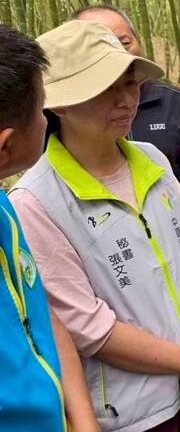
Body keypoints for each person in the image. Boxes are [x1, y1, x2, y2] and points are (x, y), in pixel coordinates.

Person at [10, 20, 180, 431]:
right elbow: (87, 325)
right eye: (104, 89)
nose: (125, 100)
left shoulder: (151, 158)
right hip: (135, 410)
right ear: (58, 104)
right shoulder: (35, 201)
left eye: (129, 83)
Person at [0, 24, 99, 431]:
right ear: (5, 145)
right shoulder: (29, 197)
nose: (46, 120)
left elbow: (38, 309)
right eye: (41, 110)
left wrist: (84, 421)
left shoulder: (4, 206)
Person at [70, 5, 180, 192]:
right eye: (97, 46)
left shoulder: (176, 102)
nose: (116, 52)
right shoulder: (63, 113)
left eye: (124, 42)